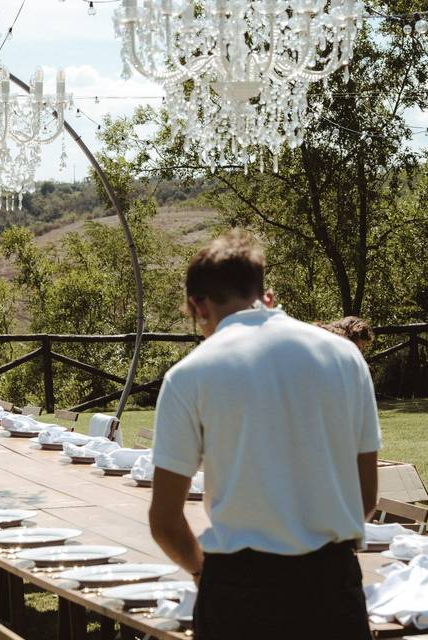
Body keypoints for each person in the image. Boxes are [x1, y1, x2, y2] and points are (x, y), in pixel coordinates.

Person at [149, 230, 379, 640]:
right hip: (332, 586)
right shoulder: (345, 356)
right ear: (263, 294)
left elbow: (165, 521)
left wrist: (204, 571)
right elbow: (366, 497)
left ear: (197, 305)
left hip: (240, 591)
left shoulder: (189, 375)